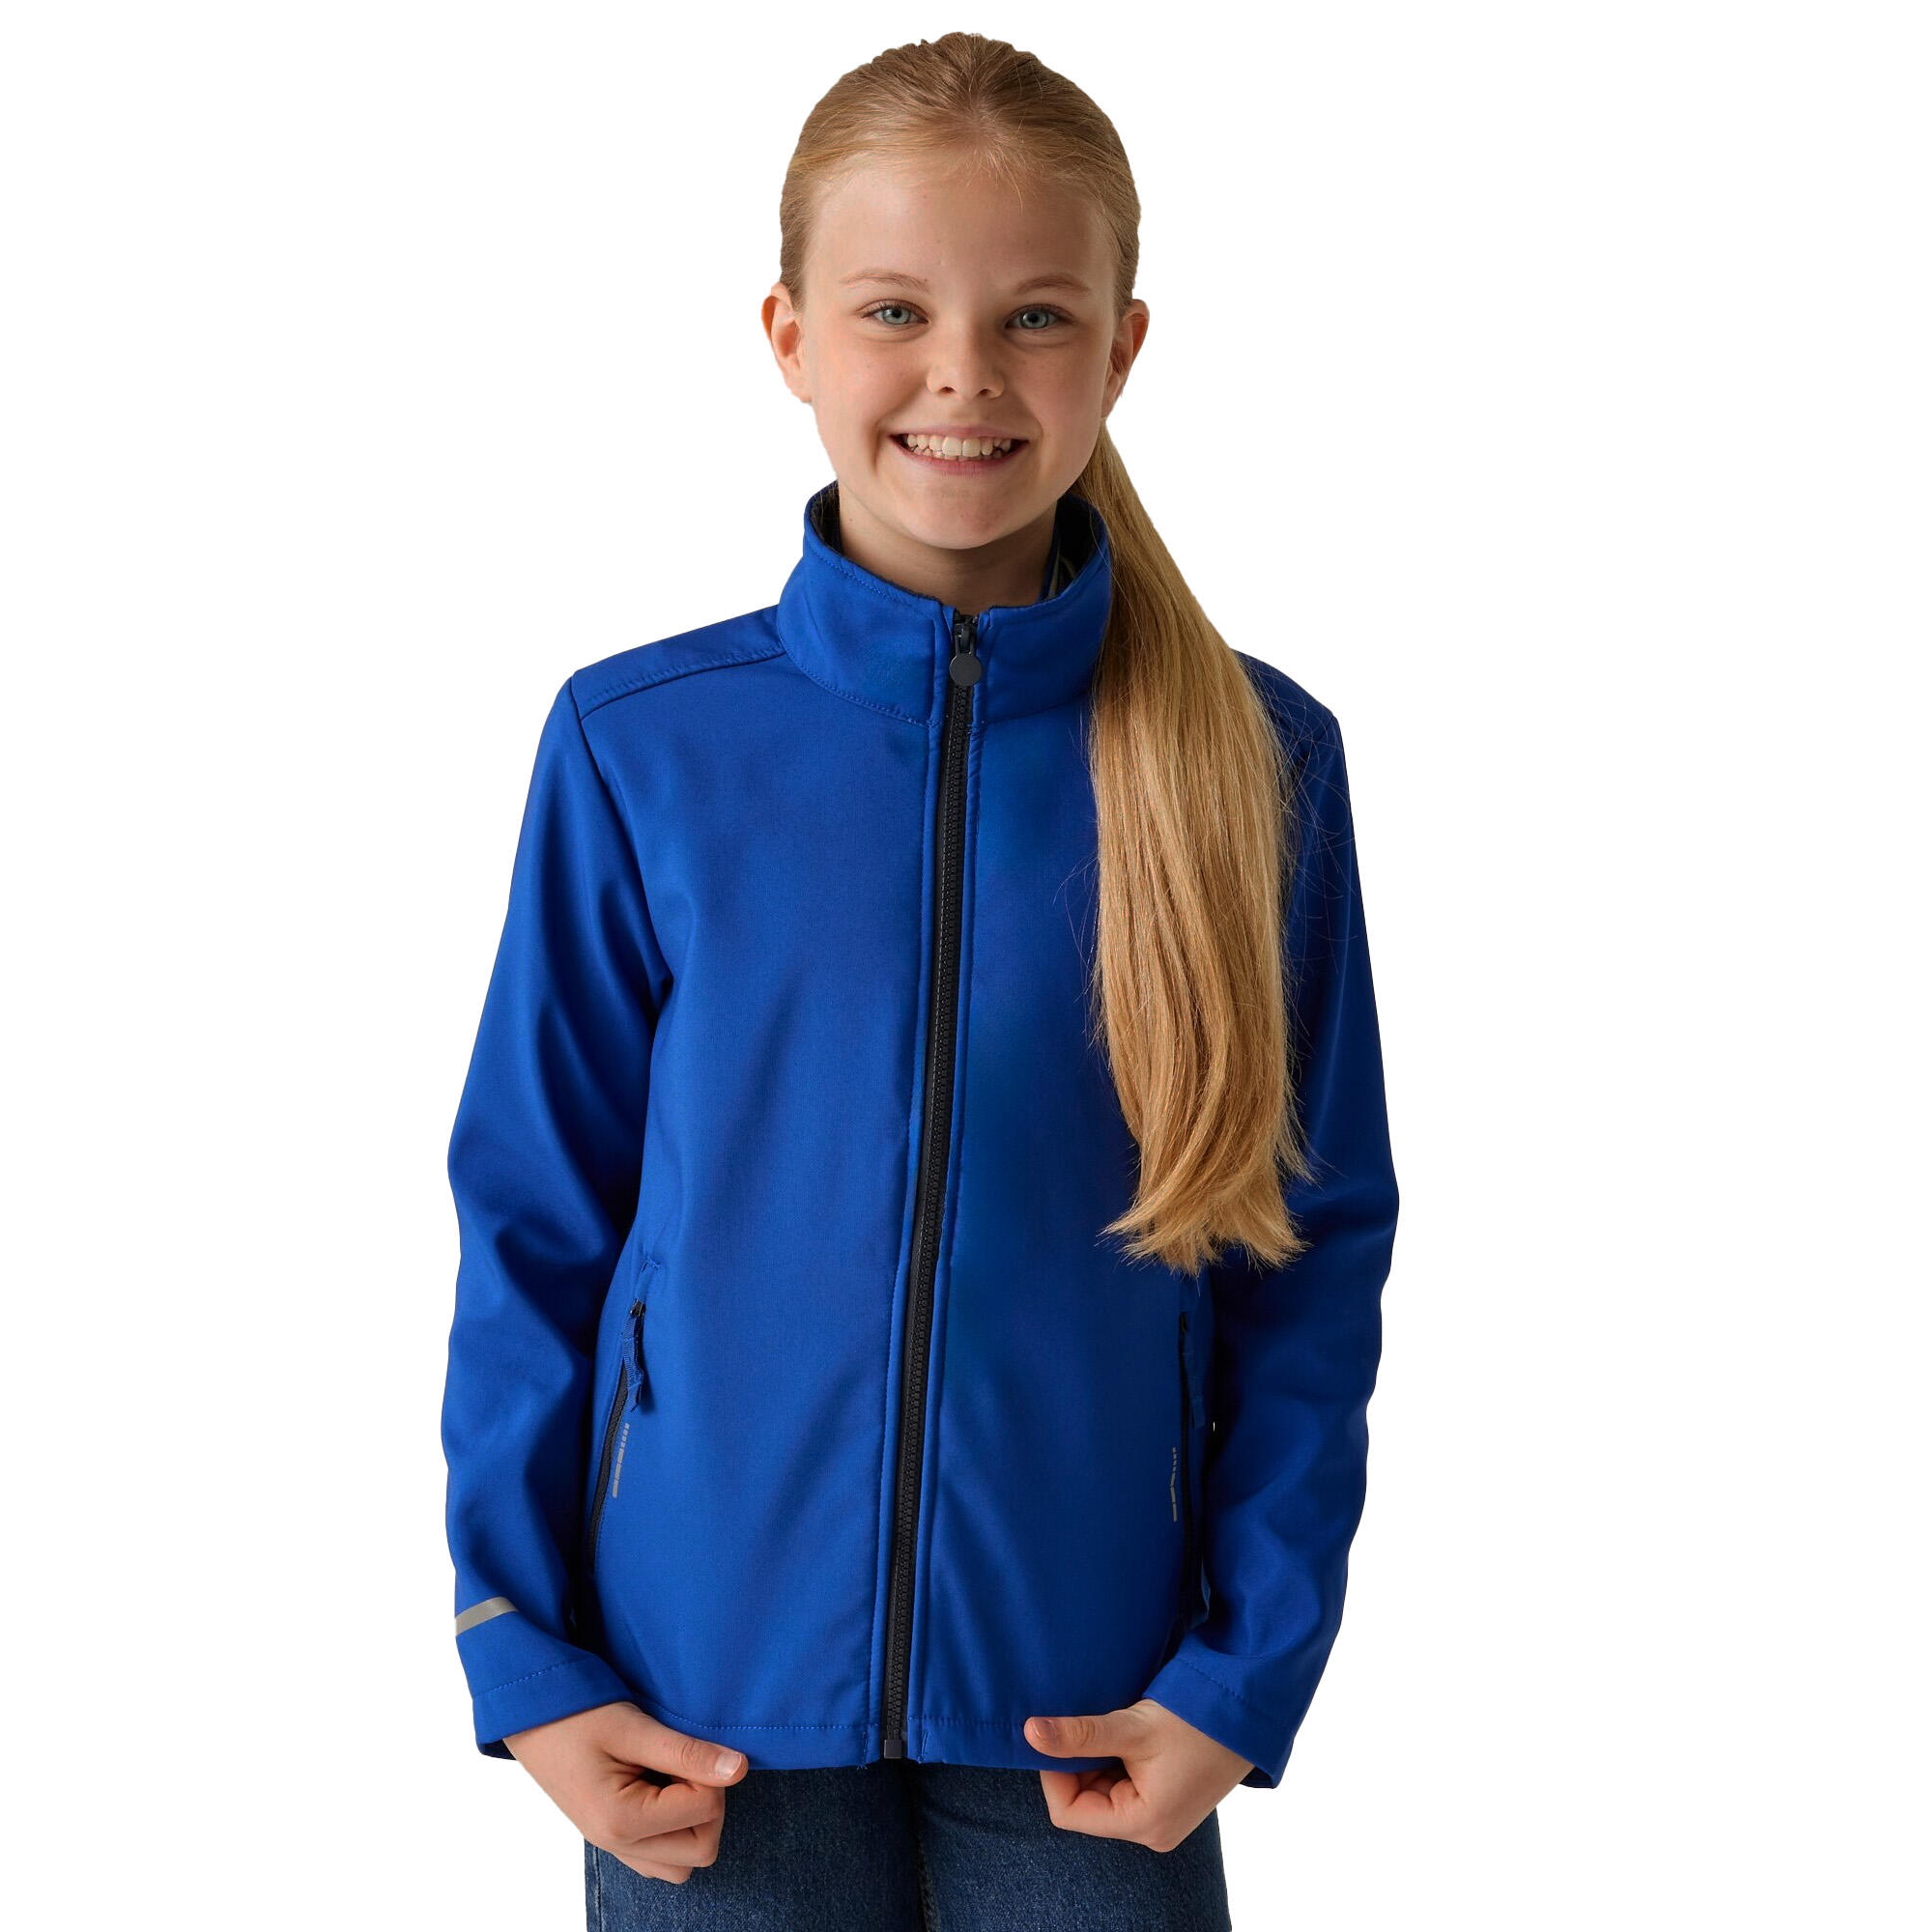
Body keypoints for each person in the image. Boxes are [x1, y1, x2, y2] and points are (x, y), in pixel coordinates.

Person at [440, 30, 1400, 1930]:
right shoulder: (643, 746)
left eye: (1036, 315)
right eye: (896, 310)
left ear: (1121, 349)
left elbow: (1309, 1251)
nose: (964, 372)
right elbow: (535, 1222)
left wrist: (1245, 1670)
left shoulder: (1254, 760)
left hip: (1096, 1705)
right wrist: (518, 1651)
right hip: (698, 1704)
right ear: (790, 336)